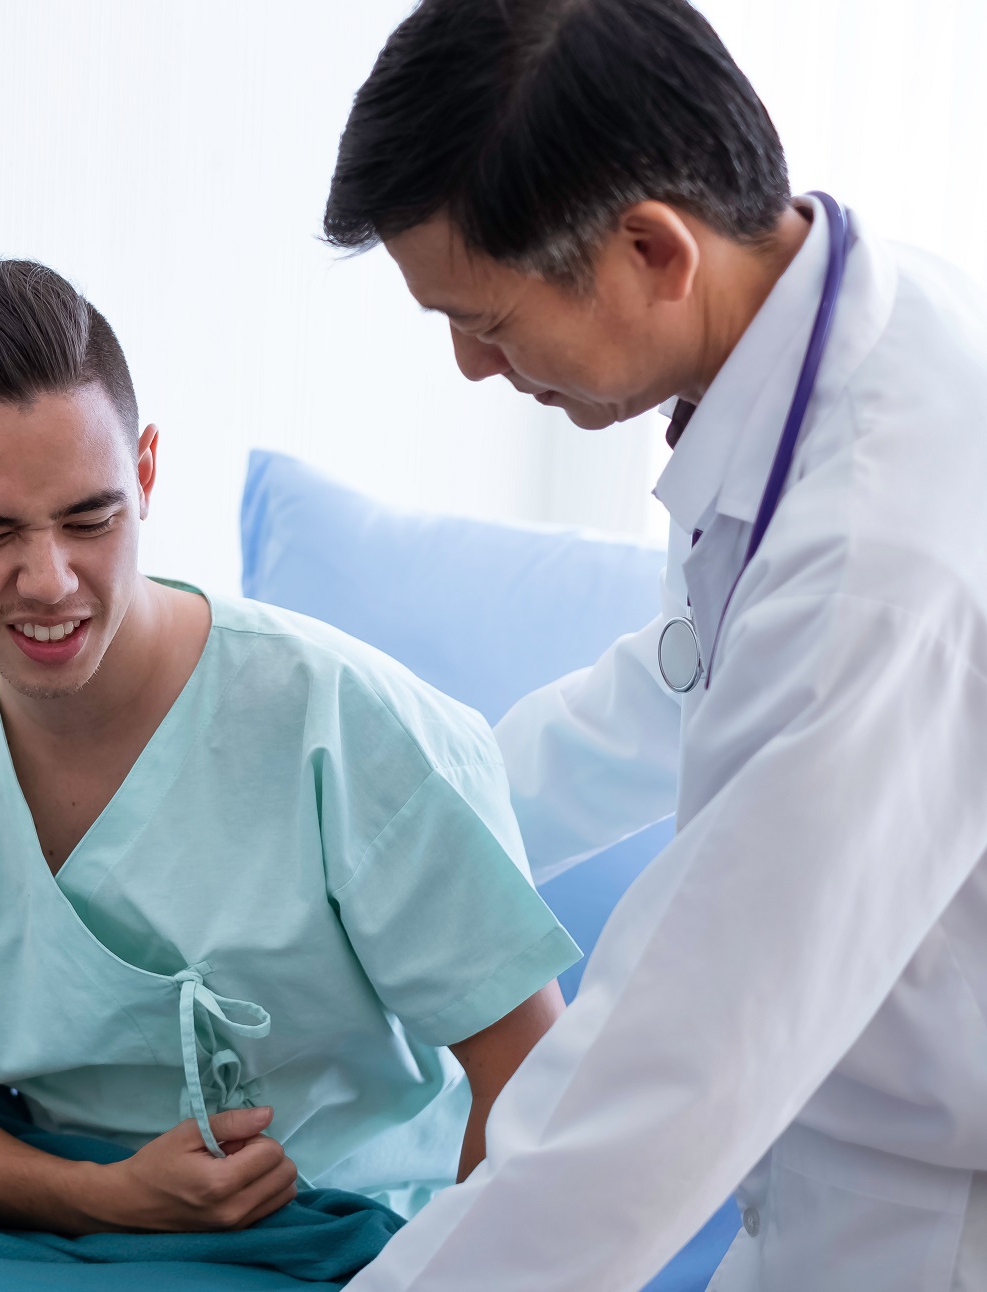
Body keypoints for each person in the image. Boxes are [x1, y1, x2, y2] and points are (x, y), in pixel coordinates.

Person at [321, 1, 987, 1289]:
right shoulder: (846, 333)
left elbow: (655, 1086)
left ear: (650, 249)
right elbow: (690, 671)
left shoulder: (880, 565)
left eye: (491, 318)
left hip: (921, 1222)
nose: (469, 365)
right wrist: (392, 860)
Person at [0, 257, 579, 1240]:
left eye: (90, 516)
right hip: (35, 1217)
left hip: (322, 1236)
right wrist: (94, 1197)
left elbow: (534, 1085)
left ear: (146, 472)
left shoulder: (341, 721)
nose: (50, 579)